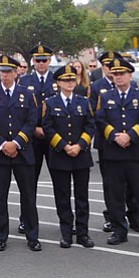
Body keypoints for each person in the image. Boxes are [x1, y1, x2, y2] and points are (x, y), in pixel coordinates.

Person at [95, 57, 139, 248]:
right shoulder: (105, 97)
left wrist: (130, 136)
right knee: (115, 196)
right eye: (115, 74)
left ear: (130, 75)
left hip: (137, 154)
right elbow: (100, 120)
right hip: (114, 154)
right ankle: (119, 230)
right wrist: (115, 136)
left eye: (122, 74)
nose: (118, 77)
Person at [0, 55, 41, 252]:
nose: (4, 75)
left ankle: (32, 236)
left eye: (8, 72)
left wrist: (16, 143)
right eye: (1, 71)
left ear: (16, 73)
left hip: (22, 153)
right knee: (0, 197)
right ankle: (1, 237)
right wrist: (2, 144)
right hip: (0, 153)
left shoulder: (27, 94)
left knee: (28, 197)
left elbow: (32, 121)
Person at [43, 64, 95, 249]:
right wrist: (65, 146)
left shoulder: (83, 102)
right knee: (62, 197)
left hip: (81, 155)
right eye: (66, 80)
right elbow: (48, 128)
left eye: (72, 79)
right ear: (58, 82)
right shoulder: (49, 103)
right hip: (60, 155)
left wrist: (80, 145)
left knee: (82, 197)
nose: (70, 83)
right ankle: (66, 233)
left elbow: (90, 126)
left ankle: (83, 233)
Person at [17, 43, 57, 234]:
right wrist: (34, 129)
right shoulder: (24, 81)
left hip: (53, 138)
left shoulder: (58, 80)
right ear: (33, 61)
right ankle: (26, 219)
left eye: (45, 60)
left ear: (50, 60)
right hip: (31, 139)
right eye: (38, 60)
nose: (41, 63)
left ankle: (65, 221)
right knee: (28, 183)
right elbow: (22, 112)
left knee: (60, 183)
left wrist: (47, 130)